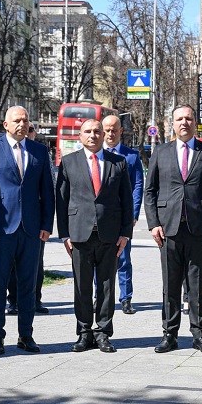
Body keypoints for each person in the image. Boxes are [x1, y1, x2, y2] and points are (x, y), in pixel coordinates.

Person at [143, 104, 202, 355]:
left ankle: (199, 334)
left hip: (199, 229)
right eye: (179, 119)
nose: (184, 123)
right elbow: (150, 190)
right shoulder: (161, 151)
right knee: (170, 284)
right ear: (172, 124)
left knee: (197, 285)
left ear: (194, 122)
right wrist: (153, 224)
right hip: (168, 229)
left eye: (188, 118)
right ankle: (169, 334)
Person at [0, 106, 54, 355]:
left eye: (25, 120)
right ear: (5, 125)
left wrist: (46, 225)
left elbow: (47, 192)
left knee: (28, 285)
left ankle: (26, 335)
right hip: (1, 230)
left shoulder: (39, 150)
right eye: (17, 120)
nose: (22, 124)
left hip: (31, 230)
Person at [56, 119, 133, 353]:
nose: (93, 135)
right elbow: (61, 200)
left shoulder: (118, 162)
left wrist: (125, 233)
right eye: (87, 132)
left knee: (107, 286)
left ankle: (103, 332)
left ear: (103, 135)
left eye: (97, 131)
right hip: (79, 234)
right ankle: (83, 332)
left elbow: (126, 200)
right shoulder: (69, 162)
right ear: (80, 136)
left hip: (110, 234)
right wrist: (64, 235)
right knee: (82, 286)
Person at [102, 114, 143, 315]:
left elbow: (138, 186)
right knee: (99, 259)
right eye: (107, 130)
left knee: (124, 258)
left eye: (114, 130)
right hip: (100, 217)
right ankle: (100, 296)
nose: (110, 133)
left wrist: (132, 215)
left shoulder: (131, 156)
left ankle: (126, 298)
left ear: (121, 131)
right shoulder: (96, 155)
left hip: (122, 217)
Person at [7, 124, 50, 315]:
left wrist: (47, 223)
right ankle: (13, 300)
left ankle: (35, 299)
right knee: (12, 265)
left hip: (34, 220)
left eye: (31, 128)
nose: (27, 130)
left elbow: (49, 188)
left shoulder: (40, 152)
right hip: (10, 220)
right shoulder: (5, 151)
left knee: (36, 264)